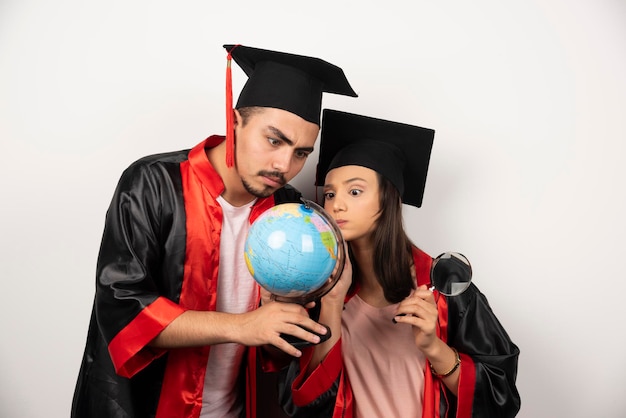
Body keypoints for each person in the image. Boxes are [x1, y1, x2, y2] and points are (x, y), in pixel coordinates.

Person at [71, 45, 357, 418]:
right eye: (274, 140)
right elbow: (123, 310)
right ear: (235, 121)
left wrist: (283, 319)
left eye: (301, 152)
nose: (284, 165)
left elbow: (276, 347)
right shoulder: (153, 184)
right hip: (141, 407)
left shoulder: (290, 212)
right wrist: (244, 326)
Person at [278, 109, 521, 417]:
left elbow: (502, 399)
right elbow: (303, 404)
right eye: (329, 193)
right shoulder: (317, 289)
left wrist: (434, 347)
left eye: (355, 191)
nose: (336, 204)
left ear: (387, 198)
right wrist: (332, 305)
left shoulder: (445, 288)